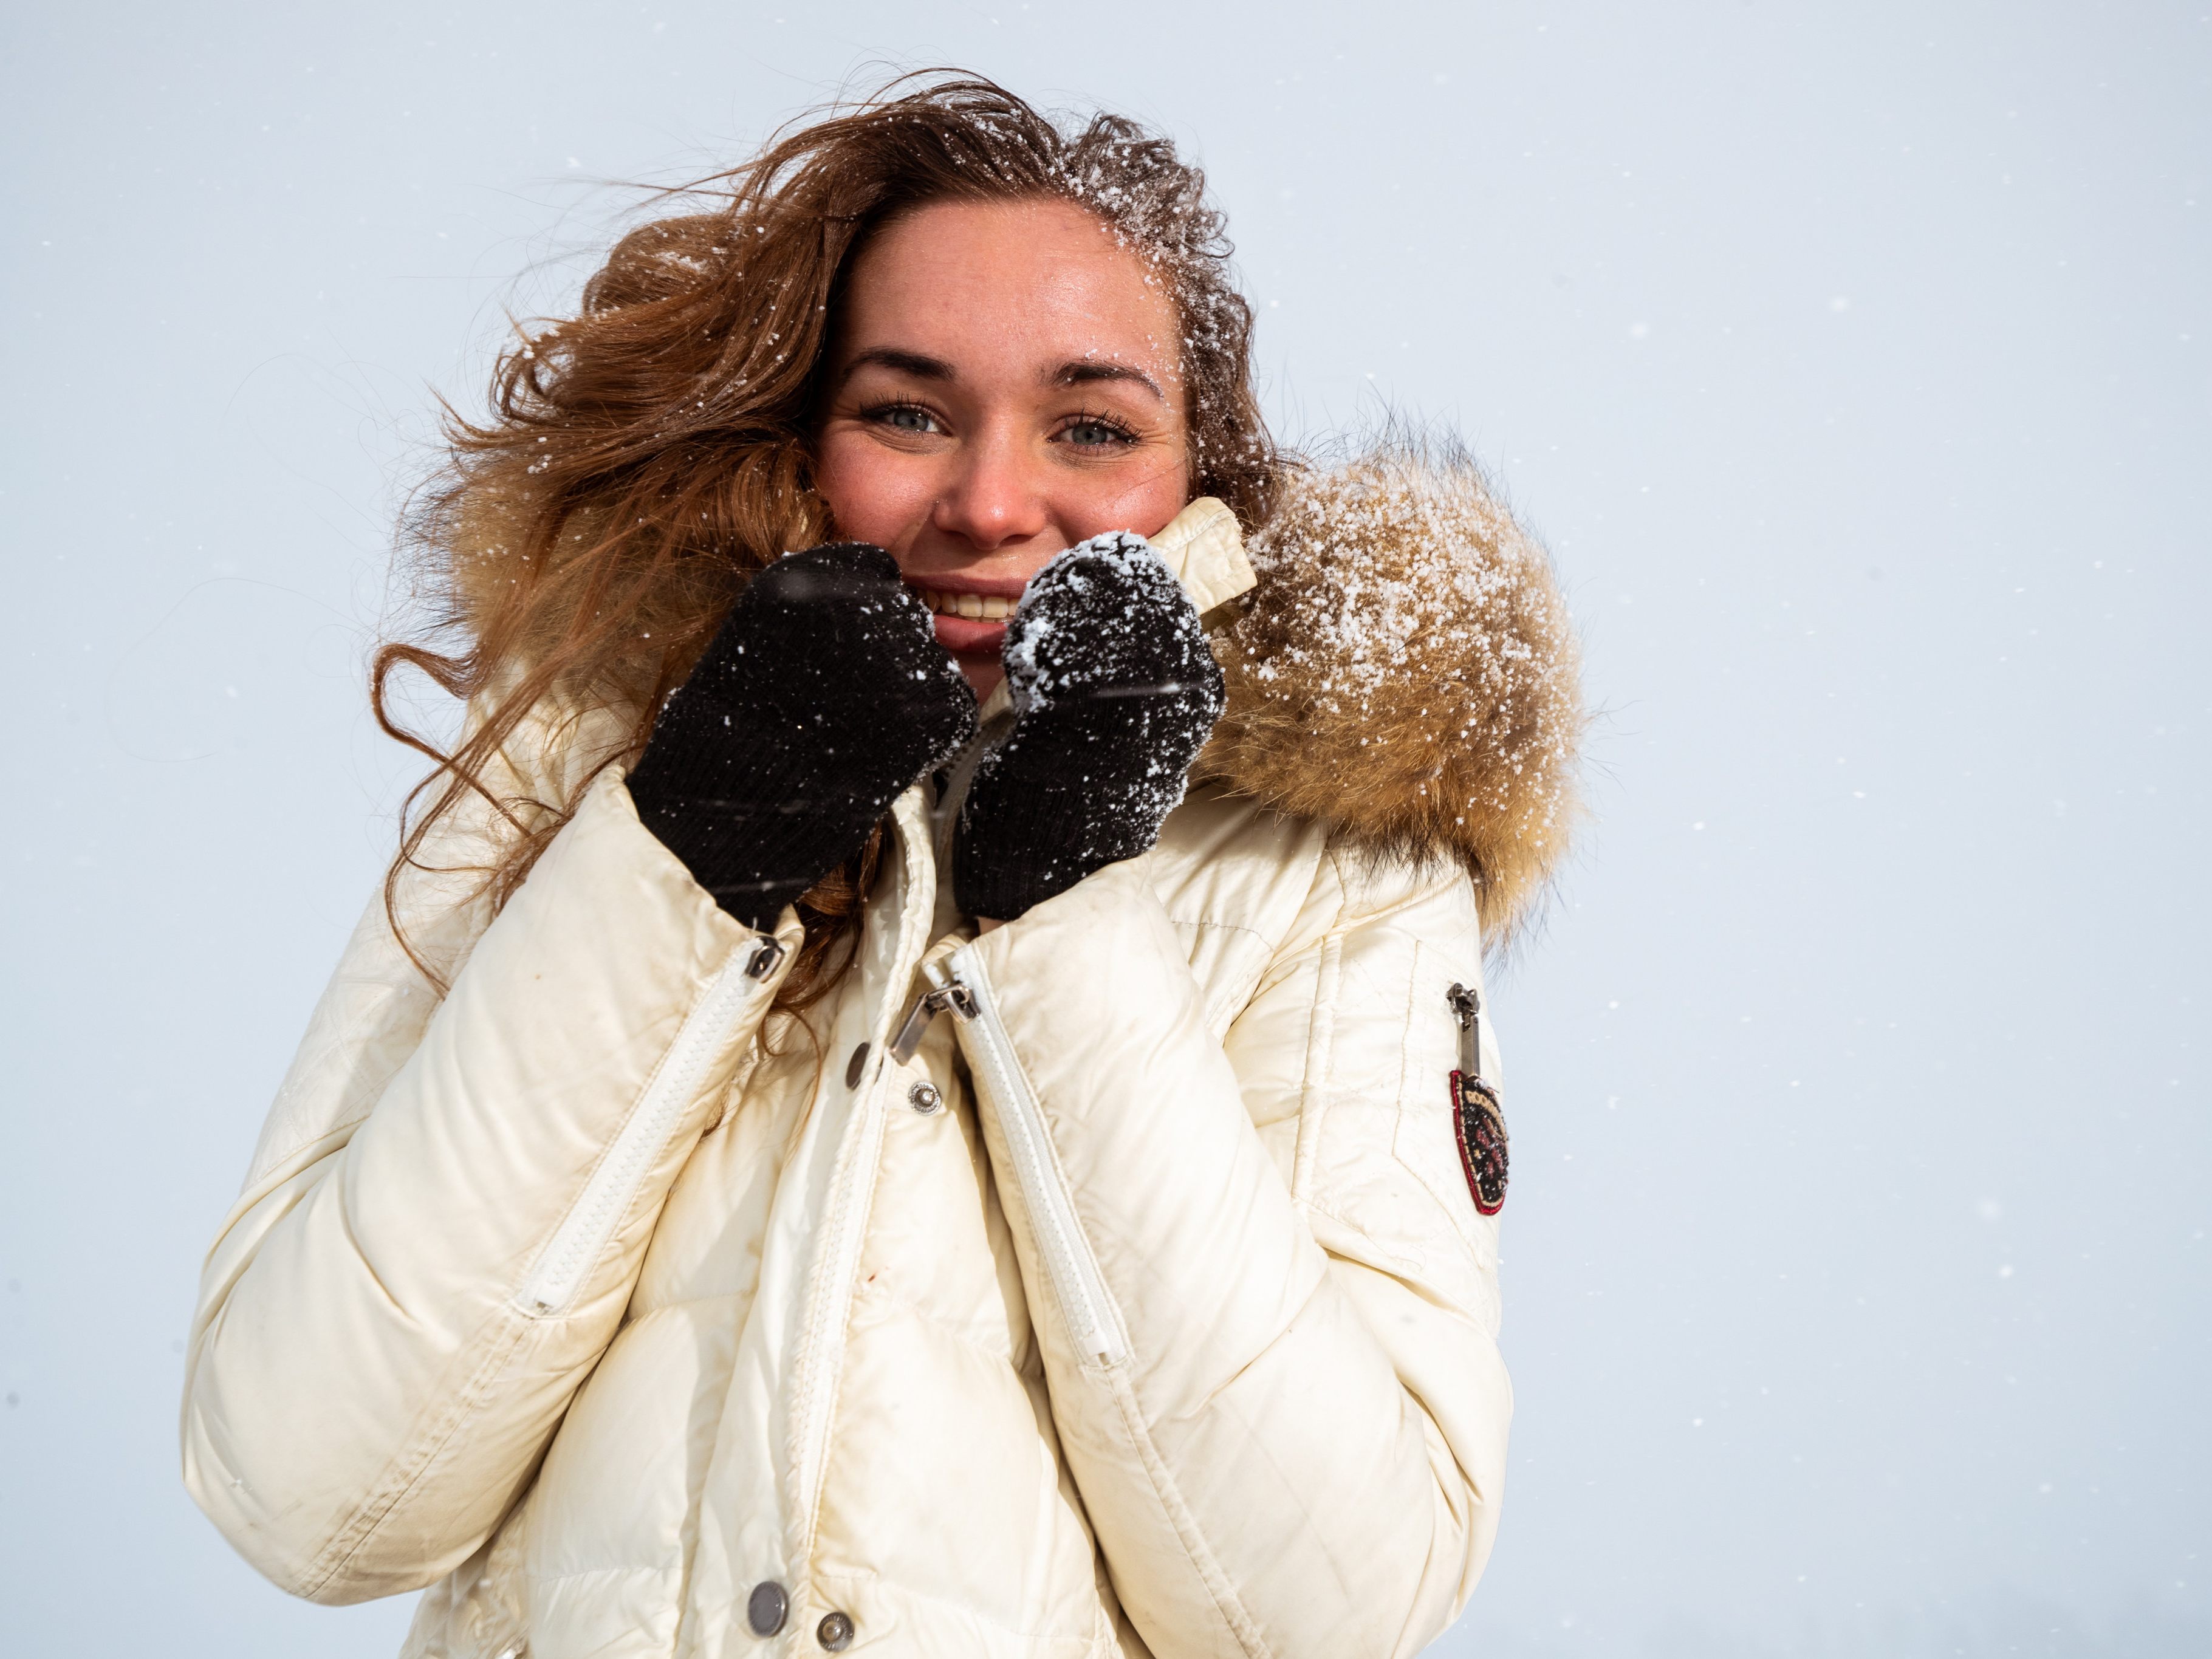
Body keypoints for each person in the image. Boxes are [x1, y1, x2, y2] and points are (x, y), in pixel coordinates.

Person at [180, 75, 1583, 1659]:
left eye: (1090, 426)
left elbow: (1330, 1601)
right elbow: (305, 1488)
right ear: (803, 429)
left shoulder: (1326, 872)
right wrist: (684, 850)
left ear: (1199, 476)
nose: (988, 503)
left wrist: (1066, 905)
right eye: (907, 410)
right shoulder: (587, 769)